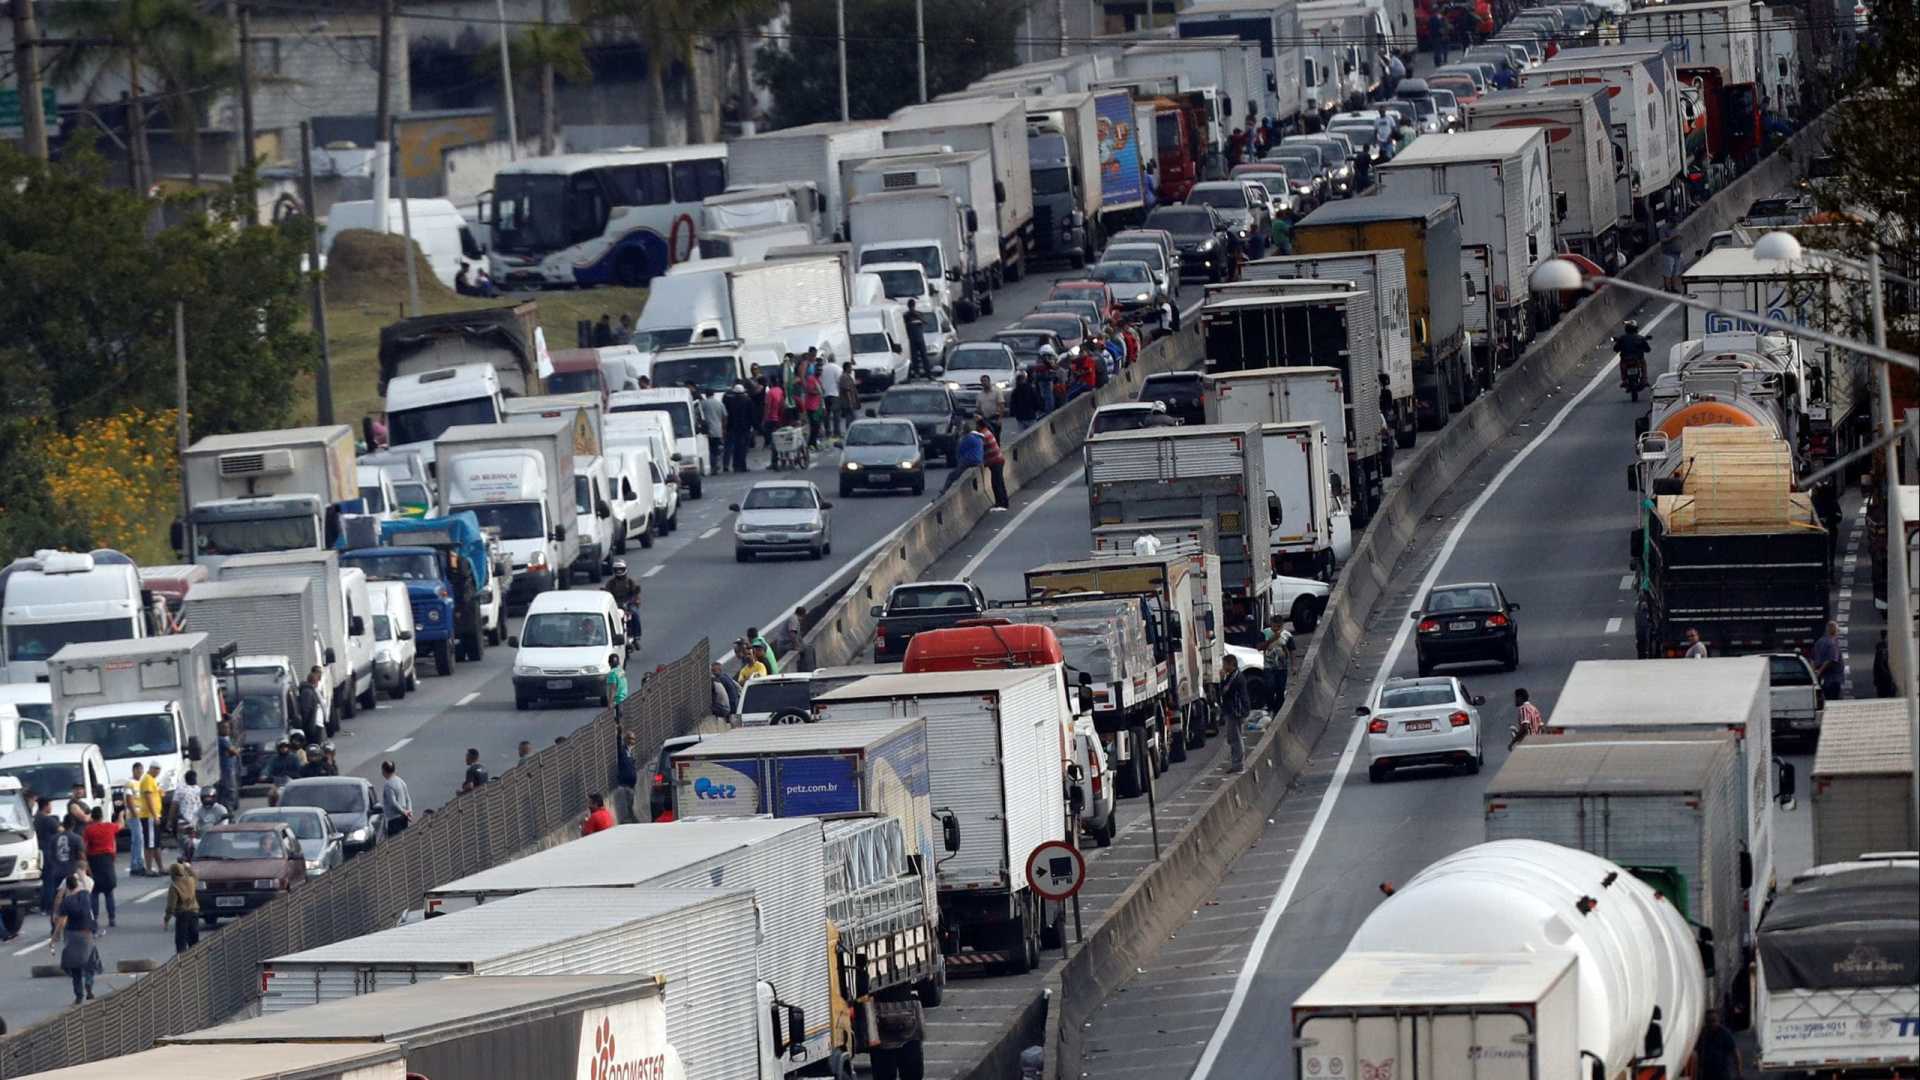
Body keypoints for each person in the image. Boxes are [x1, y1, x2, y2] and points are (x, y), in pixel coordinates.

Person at [50, 873, 101, 1004]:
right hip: (87, 934)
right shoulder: (85, 895)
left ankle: (79, 995)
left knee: (74, 967)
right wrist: (80, 872)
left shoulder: (66, 902)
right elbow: (85, 883)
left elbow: (61, 923)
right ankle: (89, 984)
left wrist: (54, 938)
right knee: (90, 963)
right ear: (77, 885)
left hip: (72, 935)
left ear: (67, 887)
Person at [81, 806, 117, 930]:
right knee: (109, 892)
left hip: (94, 861)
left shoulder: (88, 830)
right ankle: (112, 918)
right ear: (101, 816)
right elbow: (120, 825)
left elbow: (84, 846)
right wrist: (121, 815)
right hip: (107, 860)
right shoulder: (109, 827)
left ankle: (94, 918)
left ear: (92, 816)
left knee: (94, 892)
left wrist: (85, 863)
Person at [1220, 654, 1251, 771]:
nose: (1223, 666)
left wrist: (1222, 680)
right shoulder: (1233, 676)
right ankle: (1236, 763)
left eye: (1225, 664)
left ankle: (1238, 764)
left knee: (1235, 738)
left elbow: (1225, 691)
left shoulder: (1235, 677)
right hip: (1233, 711)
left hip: (1236, 711)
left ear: (1231, 665)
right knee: (1232, 738)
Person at [133, 761, 163, 876]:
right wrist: (155, 815)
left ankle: (160, 867)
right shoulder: (148, 780)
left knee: (156, 843)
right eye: (157, 770)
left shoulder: (152, 780)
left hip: (153, 815)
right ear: (153, 769)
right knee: (150, 844)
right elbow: (149, 798)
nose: (158, 772)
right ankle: (149, 868)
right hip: (149, 816)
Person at [163, 861, 199, 954]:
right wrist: (187, 867)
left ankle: (182, 963)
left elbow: (171, 905)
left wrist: (166, 919)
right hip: (194, 913)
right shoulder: (191, 880)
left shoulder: (174, 885)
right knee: (194, 940)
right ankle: (195, 959)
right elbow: (195, 876)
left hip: (182, 915)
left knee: (181, 941)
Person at [942, 424, 988, 497]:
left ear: (964, 431)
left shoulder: (966, 439)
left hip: (969, 461)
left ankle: (944, 491)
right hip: (979, 461)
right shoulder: (979, 438)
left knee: (952, 475)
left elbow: (959, 453)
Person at [605, 559, 642, 645]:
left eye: (621, 569)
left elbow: (635, 593)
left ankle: (636, 636)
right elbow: (607, 593)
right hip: (616, 604)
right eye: (617, 569)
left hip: (629, 603)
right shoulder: (611, 583)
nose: (619, 571)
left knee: (635, 614)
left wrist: (631, 601)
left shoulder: (630, 581)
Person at [125, 761, 152, 877]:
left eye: (141, 770)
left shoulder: (142, 782)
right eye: (138, 770)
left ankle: (137, 864)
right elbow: (129, 799)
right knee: (137, 840)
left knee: (139, 840)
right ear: (134, 770)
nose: (140, 772)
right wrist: (135, 813)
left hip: (142, 815)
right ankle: (137, 866)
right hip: (134, 816)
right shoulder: (129, 783)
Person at [1697, 1009, 1742, 1080]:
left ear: (1718, 1021)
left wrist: (1738, 1073)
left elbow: (1735, 1053)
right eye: (1708, 1021)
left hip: (1722, 1074)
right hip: (1706, 1074)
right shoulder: (1702, 1034)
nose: (1711, 1024)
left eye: (1713, 1020)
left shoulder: (1725, 1034)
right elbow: (1698, 1053)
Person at [33, 797, 59, 919]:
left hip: (39, 851)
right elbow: (61, 830)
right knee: (50, 881)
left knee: (44, 880)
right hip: (48, 851)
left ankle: (42, 906)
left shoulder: (35, 818)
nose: (51, 807)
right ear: (46, 806)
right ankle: (49, 907)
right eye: (50, 805)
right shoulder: (48, 820)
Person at [723, 382, 755, 473]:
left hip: (734, 427)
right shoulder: (748, 401)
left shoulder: (731, 401)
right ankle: (742, 465)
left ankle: (736, 465)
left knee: (736, 447)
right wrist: (755, 426)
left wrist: (728, 427)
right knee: (744, 447)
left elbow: (729, 415)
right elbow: (752, 415)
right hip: (745, 427)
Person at [978, 417, 1009, 510]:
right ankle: (1003, 502)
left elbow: (979, 449)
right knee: (999, 482)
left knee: (996, 483)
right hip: (997, 460)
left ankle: (1001, 503)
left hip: (996, 461)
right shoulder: (987, 431)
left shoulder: (984, 435)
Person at [1263, 616, 1296, 705]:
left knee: (1280, 690)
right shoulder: (1265, 633)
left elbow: (1292, 650)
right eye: (1274, 627)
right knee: (1269, 687)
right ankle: (1270, 706)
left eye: (1278, 627)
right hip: (1268, 666)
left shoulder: (1287, 635)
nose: (1276, 629)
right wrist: (1271, 639)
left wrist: (1293, 666)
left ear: (1282, 626)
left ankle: (1278, 709)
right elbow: (1259, 647)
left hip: (1282, 667)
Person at [381, 760, 413, 838]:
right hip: (404, 818)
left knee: (395, 844)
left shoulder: (388, 785)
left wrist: (404, 812)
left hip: (394, 820)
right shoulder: (401, 781)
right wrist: (409, 811)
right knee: (403, 840)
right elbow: (408, 798)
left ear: (384, 771)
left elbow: (393, 803)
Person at [1814, 620, 1845, 698]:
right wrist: (1820, 670)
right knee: (1834, 701)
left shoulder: (1819, 642)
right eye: (1838, 630)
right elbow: (1831, 660)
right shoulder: (1833, 643)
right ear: (1835, 631)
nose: (1838, 633)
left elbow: (1813, 658)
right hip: (1833, 680)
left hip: (1822, 679)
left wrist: (1815, 672)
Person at [296, 667, 325, 745]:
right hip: (312, 727)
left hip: (315, 724)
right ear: (314, 682)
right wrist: (307, 726)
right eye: (317, 680)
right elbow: (306, 710)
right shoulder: (307, 692)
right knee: (314, 746)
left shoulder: (311, 690)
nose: (318, 682)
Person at [215, 719, 240, 811]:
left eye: (228, 727)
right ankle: (228, 812)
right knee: (229, 791)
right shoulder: (221, 740)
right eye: (224, 728)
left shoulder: (227, 739)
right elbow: (234, 751)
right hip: (225, 770)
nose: (227, 729)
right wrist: (236, 751)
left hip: (230, 768)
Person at [616, 730, 641, 822]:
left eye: (634, 739)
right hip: (624, 786)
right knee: (626, 809)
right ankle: (632, 822)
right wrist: (618, 735)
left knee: (630, 806)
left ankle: (632, 821)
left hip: (631, 787)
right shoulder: (622, 751)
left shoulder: (630, 752)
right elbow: (617, 746)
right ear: (625, 739)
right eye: (630, 739)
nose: (632, 741)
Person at [700, 387, 726, 468]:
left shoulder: (703, 403)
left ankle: (713, 465)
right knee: (717, 449)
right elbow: (725, 416)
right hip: (718, 430)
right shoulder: (719, 403)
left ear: (706, 394)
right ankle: (716, 463)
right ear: (713, 394)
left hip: (707, 430)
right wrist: (724, 428)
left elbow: (697, 414)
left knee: (710, 449)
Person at [801, 362, 825, 447]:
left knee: (817, 426)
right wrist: (818, 392)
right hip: (811, 407)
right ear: (815, 370)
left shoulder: (818, 379)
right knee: (815, 426)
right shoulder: (811, 379)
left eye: (821, 370)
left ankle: (813, 443)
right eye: (818, 370)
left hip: (817, 406)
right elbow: (810, 390)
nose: (820, 372)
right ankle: (811, 443)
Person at [820, 354, 845, 438]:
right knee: (836, 415)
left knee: (826, 415)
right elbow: (839, 381)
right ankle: (837, 433)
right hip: (835, 394)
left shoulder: (823, 368)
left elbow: (820, 380)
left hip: (825, 395)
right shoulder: (837, 368)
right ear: (835, 359)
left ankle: (828, 432)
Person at [903, 299, 930, 377]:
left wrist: (915, 315)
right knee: (917, 357)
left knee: (922, 356)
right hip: (914, 338)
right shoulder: (907, 315)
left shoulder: (917, 314)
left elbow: (925, 322)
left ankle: (926, 372)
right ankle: (919, 372)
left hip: (917, 338)